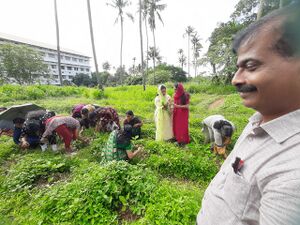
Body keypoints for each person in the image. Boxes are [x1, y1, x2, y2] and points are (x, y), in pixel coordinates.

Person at [197, 3, 300, 225]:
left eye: (251, 66)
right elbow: (221, 141)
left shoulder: (293, 173)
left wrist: (222, 148)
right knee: (212, 141)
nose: (235, 79)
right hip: (208, 125)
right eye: (238, 67)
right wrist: (219, 150)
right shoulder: (257, 119)